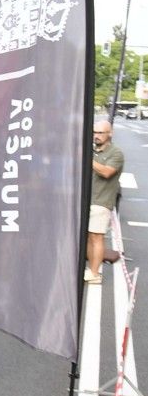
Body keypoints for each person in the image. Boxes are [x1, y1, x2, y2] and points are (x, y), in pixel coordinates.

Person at [87, 119, 124, 284]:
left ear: (110, 133)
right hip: (87, 199)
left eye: (100, 133)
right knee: (88, 237)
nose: (96, 136)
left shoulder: (116, 153)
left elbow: (107, 172)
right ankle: (90, 270)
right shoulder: (94, 151)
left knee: (97, 237)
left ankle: (95, 274)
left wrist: (87, 158)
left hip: (101, 201)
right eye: (94, 132)